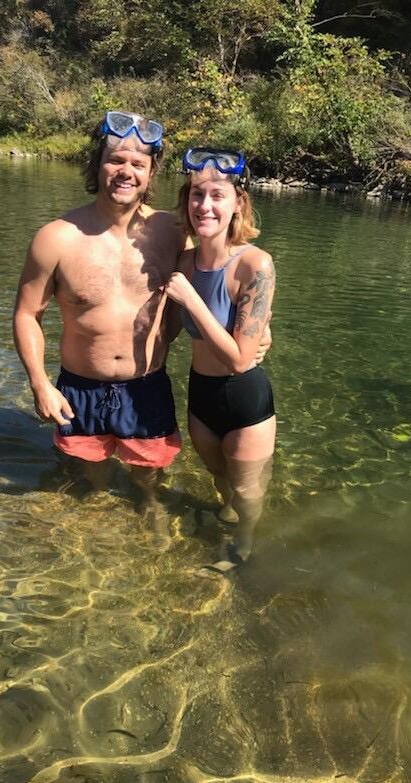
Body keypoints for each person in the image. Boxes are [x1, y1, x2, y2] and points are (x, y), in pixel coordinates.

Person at [13, 112, 271, 512]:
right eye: (116, 159)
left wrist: (262, 330)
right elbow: (27, 314)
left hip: (146, 385)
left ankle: (151, 521)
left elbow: (224, 271)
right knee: (89, 483)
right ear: (97, 163)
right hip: (80, 387)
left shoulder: (172, 231)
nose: (126, 172)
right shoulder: (56, 238)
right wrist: (40, 384)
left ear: (152, 174)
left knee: (149, 483)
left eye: (138, 164)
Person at [164, 147, 276, 571]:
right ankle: (227, 511)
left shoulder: (254, 264)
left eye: (217, 195)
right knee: (219, 478)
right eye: (196, 194)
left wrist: (192, 300)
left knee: (248, 493)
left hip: (244, 398)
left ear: (237, 204)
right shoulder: (184, 261)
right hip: (201, 394)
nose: (205, 206)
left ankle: (245, 544)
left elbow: (240, 360)